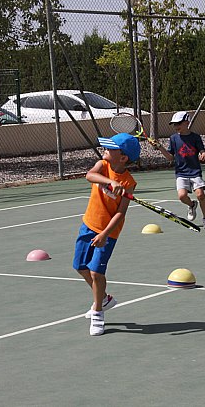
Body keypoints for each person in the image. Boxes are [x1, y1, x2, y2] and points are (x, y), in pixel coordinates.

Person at [73, 133, 140, 336]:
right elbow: (89, 176)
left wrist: (104, 234)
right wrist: (110, 183)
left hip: (108, 232)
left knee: (96, 273)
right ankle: (103, 298)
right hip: (88, 225)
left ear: (123, 158)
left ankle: (98, 313)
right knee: (80, 267)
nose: (105, 151)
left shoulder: (129, 183)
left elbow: (120, 213)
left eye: (110, 149)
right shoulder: (103, 165)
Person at [152, 111, 205, 229]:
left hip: (195, 171)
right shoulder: (173, 138)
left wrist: (203, 154)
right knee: (182, 196)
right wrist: (160, 147)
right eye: (174, 124)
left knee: (200, 194)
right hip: (181, 172)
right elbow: (170, 157)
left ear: (187, 123)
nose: (176, 126)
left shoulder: (195, 137)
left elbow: (202, 150)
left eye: (178, 123)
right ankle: (192, 205)